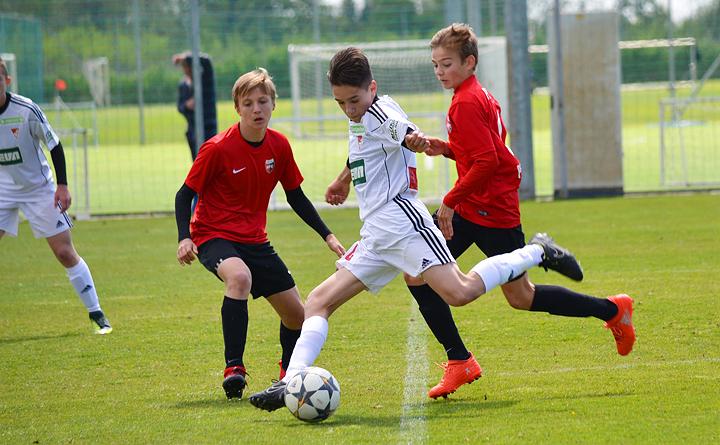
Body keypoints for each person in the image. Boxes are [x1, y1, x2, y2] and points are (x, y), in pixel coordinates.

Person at [248, 47, 582, 411]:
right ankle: (291, 382)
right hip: (377, 234)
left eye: (354, 100)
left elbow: (399, 130)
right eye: (340, 102)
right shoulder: (363, 113)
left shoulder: (381, 112)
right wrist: (344, 178)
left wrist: (413, 138)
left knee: (460, 292)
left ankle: (537, 250)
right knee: (317, 302)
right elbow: (365, 142)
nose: (349, 109)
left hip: (405, 224)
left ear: (372, 88)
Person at [399, 23, 635, 397]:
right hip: (478, 207)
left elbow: (488, 162)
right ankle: (460, 360)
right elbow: (489, 151)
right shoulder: (474, 95)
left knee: (520, 297)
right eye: (435, 65)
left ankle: (611, 309)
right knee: (416, 271)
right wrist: (447, 149)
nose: (440, 71)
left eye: (446, 64)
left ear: (469, 62)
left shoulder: (466, 102)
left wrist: (449, 200)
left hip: (490, 212)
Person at [174, 68, 345, 400]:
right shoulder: (217, 148)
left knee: (297, 315)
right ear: (237, 108)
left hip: (255, 240)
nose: (256, 109)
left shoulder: (279, 145)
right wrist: (185, 237)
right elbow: (184, 195)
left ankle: (288, 376)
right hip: (213, 235)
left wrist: (327, 235)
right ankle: (234, 369)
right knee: (239, 277)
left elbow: (296, 196)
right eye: (248, 103)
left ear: (273, 105)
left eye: (263, 101)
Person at [0, 56, 112, 335]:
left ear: (7, 80)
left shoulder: (26, 110)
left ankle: (97, 313)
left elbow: (54, 145)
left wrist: (62, 185)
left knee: (64, 252)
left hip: (39, 189)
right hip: (3, 189)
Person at [173, 51, 218, 161]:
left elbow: (207, 60)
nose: (186, 70)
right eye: (184, 67)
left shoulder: (205, 79)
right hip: (192, 130)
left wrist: (185, 56)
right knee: (196, 162)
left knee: (210, 160)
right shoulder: (183, 85)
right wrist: (186, 106)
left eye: (188, 66)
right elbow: (180, 107)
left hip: (208, 128)